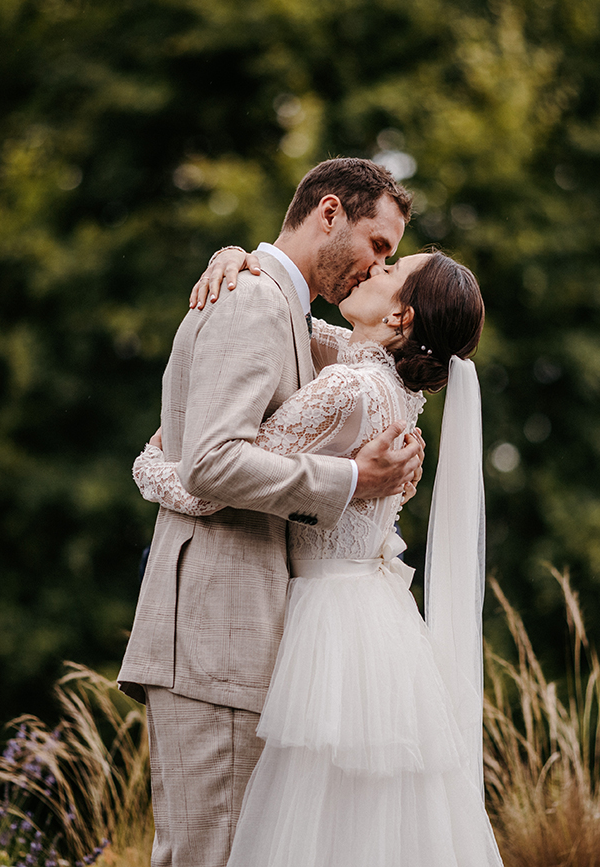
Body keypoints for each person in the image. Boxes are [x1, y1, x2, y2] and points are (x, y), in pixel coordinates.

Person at [134, 249, 503, 867]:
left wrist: (150, 467)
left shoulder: (349, 387)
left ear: (401, 317)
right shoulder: (390, 385)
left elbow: (217, 484)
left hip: (324, 625)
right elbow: (299, 325)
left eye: (388, 270)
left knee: (300, 829)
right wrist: (241, 260)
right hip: (374, 620)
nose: (370, 271)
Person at [116, 158, 425, 867]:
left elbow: (354, 350)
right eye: (378, 245)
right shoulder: (254, 301)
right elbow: (213, 462)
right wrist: (353, 478)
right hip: (214, 637)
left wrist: (235, 252)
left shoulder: (280, 303)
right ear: (328, 213)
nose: (380, 265)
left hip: (238, 640)